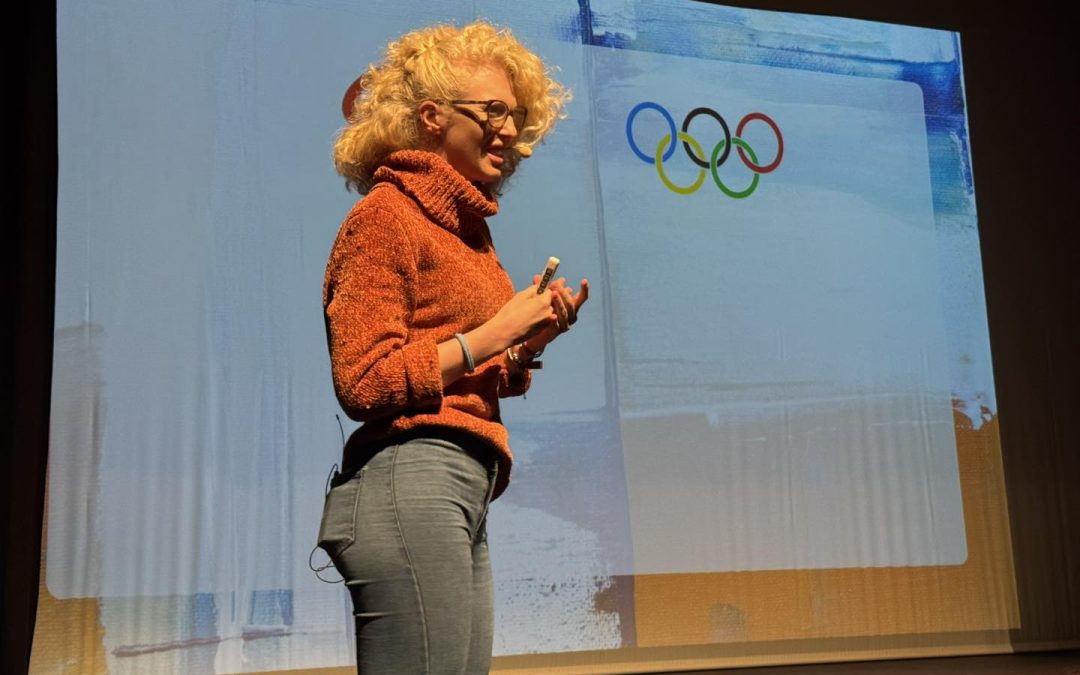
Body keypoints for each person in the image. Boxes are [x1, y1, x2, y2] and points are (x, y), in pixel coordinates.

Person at [318, 20, 583, 674]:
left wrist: (519, 349)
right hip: (410, 477)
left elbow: (462, 366)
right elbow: (363, 381)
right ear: (432, 116)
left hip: (462, 481)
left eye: (516, 117)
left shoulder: (470, 238)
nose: (509, 130)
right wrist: (492, 333)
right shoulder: (385, 216)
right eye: (492, 111)